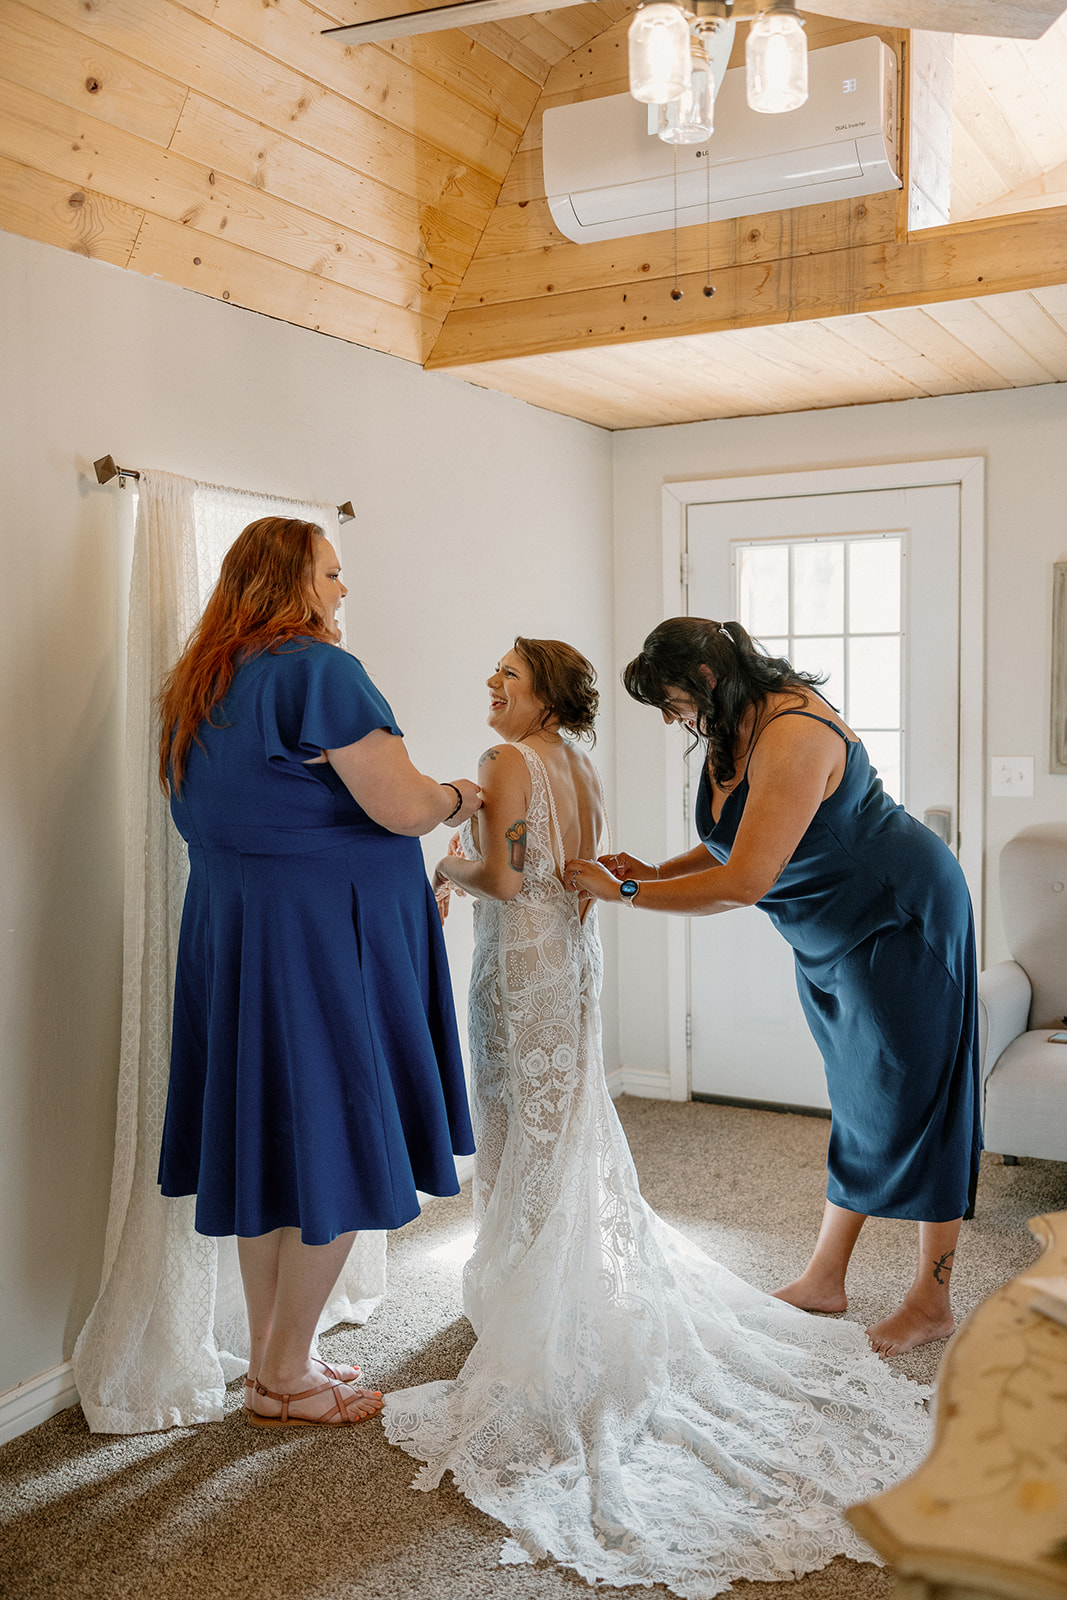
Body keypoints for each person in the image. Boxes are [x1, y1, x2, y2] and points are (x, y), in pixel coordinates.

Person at [383, 637, 931, 1598]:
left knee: (524, 1133)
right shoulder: (574, 762)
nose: (490, 687)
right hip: (574, 960)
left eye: (505, 677)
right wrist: (614, 880)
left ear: (543, 696)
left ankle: (528, 1292)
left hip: (522, 967)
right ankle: (551, 1275)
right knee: (569, 1128)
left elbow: (514, 879)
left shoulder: (505, 762)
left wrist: (445, 867)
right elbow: (599, 863)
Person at [567, 616, 982, 1361]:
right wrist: (656, 871)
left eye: (670, 703)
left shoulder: (793, 733)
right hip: (826, 932)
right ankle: (825, 1276)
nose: (670, 721)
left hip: (897, 918)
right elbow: (735, 834)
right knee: (859, 1097)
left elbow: (744, 880)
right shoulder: (731, 727)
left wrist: (623, 890)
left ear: (703, 680)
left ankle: (931, 1300)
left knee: (918, 1102)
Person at [157, 516, 481, 1428]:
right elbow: (403, 805)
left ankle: (274, 1368)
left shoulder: (199, 683)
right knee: (338, 1142)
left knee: (272, 1149)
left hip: (237, 930)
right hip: (322, 938)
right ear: (290, 585)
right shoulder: (318, 670)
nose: (343, 591)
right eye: (332, 574)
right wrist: (462, 793)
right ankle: (287, 1377)